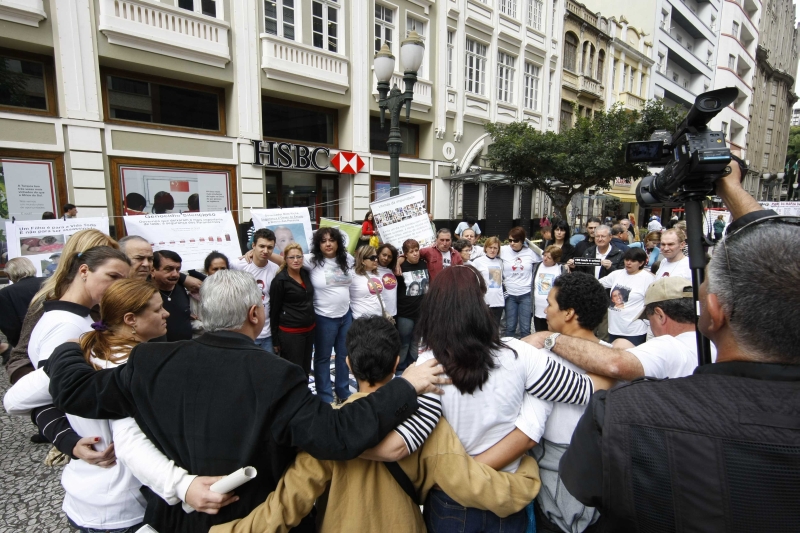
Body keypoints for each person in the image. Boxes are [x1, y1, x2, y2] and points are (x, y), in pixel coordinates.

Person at [43, 269, 450, 532]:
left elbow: (75, 391)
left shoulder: (150, 361)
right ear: (256, 315)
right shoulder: (277, 375)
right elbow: (336, 436)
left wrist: (67, 344)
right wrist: (406, 384)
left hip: (174, 520)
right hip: (250, 520)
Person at [559, 162, 800, 531]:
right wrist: (729, 187)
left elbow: (582, 485)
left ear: (714, 313)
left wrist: (548, 337)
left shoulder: (623, 415)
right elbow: (784, 265)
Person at [209, 316, 542, 533]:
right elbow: (471, 484)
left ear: (348, 364)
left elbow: (285, 507)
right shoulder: (427, 422)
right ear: (398, 363)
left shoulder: (328, 428)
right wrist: (526, 474)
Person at [415, 266, 612, 532]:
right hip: (506, 493)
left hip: (450, 496)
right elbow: (583, 390)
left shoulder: (425, 368)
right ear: (481, 305)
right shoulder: (519, 353)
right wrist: (618, 360)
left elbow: (413, 437)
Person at [4, 278, 171, 533]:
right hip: (128, 507)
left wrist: (67, 438)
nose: (166, 313)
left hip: (82, 497)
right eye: (158, 309)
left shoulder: (81, 352)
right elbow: (133, 445)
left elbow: (14, 401)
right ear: (130, 319)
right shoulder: (136, 370)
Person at [526, 272, 613, 533]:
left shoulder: (536, 358)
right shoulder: (618, 358)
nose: (545, 309)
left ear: (568, 313)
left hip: (558, 491)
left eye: (551, 303)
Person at [523, 276, 716, 381]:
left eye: (648, 319)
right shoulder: (714, 346)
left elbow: (615, 364)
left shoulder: (669, 347)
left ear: (660, 315)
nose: (652, 328)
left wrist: (549, 338)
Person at [5, 229, 119, 384]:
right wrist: (42, 397)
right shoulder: (50, 302)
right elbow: (19, 359)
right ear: (83, 268)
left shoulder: (106, 300)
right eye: (111, 273)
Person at [269, 243, 314, 374]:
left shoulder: (305, 274)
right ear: (285, 259)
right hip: (291, 333)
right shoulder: (280, 281)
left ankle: (304, 393)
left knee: (306, 368)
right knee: (294, 370)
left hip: (309, 330)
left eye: (299, 257)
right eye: (291, 257)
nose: (295, 260)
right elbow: (274, 310)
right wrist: (275, 339)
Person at [231, 229, 279, 352]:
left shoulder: (275, 269)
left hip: (267, 333)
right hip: (244, 331)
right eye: (261, 246)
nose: (265, 251)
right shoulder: (238, 265)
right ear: (253, 246)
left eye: (270, 247)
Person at [597, 247, 654, 345]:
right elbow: (596, 284)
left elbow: (651, 304)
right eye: (627, 259)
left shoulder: (648, 279)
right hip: (614, 328)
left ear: (640, 263)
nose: (628, 263)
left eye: (633, 261)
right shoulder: (617, 274)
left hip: (634, 331)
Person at [395, 239, 429, 371]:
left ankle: (413, 365)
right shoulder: (401, 267)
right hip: (405, 312)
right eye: (411, 251)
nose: (415, 254)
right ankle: (400, 367)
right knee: (404, 341)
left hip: (421, 312)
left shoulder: (424, 264)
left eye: (416, 250)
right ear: (405, 254)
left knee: (416, 340)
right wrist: (399, 260)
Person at [500, 226, 540, 338]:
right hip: (510, 294)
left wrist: (529, 243)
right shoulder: (503, 250)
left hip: (525, 294)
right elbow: (488, 249)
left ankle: (525, 352)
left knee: (525, 328)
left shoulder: (530, 253)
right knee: (510, 327)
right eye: (510, 240)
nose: (512, 243)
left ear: (522, 240)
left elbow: (544, 254)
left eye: (516, 241)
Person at [0, 257, 43, 347]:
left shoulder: (5, 293)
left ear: (8, 275)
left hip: (28, 344)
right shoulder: (50, 282)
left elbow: (10, 328)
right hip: (60, 336)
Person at [152, 250, 193, 342]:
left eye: (178, 269)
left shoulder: (183, 287)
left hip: (186, 348)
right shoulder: (146, 293)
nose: (175, 274)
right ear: (152, 271)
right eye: (168, 269)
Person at [531, 246, 566, 333]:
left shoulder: (561, 269)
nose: (545, 259)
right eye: (544, 255)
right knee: (539, 332)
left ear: (555, 259)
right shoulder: (537, 266)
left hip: (553, 310)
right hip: (538, 308)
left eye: (549, 257)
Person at [471, 236, 505, 325]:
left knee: (496, 328)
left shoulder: (500, 262)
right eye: (490, 247)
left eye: (495, 248)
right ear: (486, 248)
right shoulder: (477, 262)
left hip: (498, 301)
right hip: (485, 301)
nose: (492, 250)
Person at [349, 245, 387, 321]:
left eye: (376, 257)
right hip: (362, 321)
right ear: (362, 260)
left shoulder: (376, 273)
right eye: (372, 258)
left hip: (379, 319)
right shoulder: (352, 274)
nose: (376, 260)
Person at [375, 243, 399, 320]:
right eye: (384, 255)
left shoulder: (393, 270)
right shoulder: (371, 270)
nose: (386, 258)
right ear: (378, 254)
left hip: (392, 314)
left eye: (389, 257)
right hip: (378, 314)